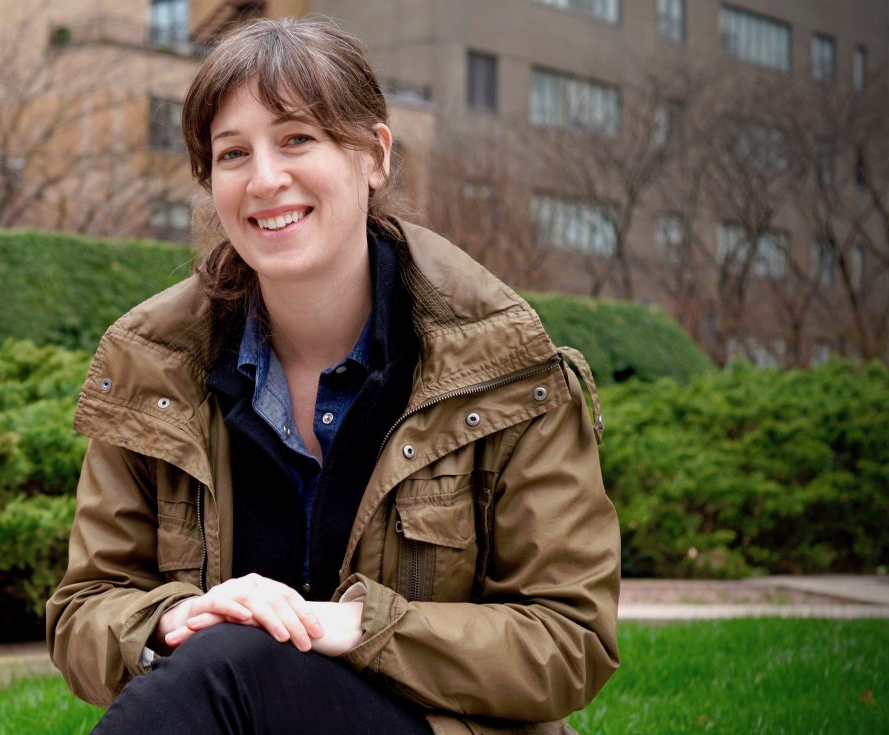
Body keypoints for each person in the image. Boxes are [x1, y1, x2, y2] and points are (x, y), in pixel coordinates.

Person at [46, 17, 619, 735]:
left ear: (374, 154)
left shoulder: (503, 364)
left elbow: (570, 640)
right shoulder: (153, 363)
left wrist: (355, 625)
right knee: (226, 655)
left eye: (297, 139)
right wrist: (169, 618)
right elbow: (83, 609)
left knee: (234, 661)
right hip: (233, 707)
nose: (264, 179)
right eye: (232, 153)